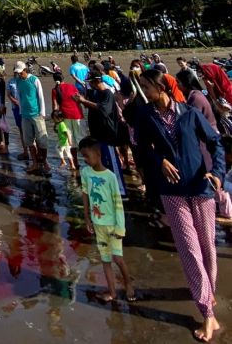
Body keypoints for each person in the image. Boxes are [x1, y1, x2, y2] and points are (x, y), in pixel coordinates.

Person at [137, 69, 223, 342]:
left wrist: (218, 173)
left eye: (146, 86)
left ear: (160, 87)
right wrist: (159, 161)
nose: (143, 91)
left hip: (200, 187)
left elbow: (214, 142)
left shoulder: (189, 113)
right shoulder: (147, 117)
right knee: (189, 249)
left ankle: (208, 292)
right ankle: (207, 312)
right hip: (171, 192)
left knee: (207, 247)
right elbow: (141, 149)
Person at [79, 136, 134, 303]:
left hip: (113, 225)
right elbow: (85, 194)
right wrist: (87, 217)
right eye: (83, 157)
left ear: (97, 153)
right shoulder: (85, 173)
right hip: (98, 225)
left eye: (87, 156)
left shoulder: (110, 177)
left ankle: (128, 282)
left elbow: (118, 204)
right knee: (105, 259)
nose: (85, 160)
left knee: (118, 258)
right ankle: (112, 292)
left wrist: (120, 228)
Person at [75, 71, 127, 197]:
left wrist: (84, 101)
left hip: (107, 134)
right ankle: (109, 188)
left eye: (91, 83)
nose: (90, 85)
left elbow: (104, 109)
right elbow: (91, 106)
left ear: (96, 81)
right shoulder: (96, 93)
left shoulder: (107, 93)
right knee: (104, 162)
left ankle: (121, 192)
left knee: (113, 161)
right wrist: (82, 100)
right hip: (98, 134)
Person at [14, 61, 50, 174]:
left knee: (42, 141)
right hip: (25, 115)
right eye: (17, 73)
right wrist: (20, 110)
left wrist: (42, 112)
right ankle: (34, 163)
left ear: (25, 70)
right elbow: (19, 96)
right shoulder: (18, 81)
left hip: (37, 114)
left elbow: (40, 96)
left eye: (20, 72)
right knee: (29, 141)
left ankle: (44, 162)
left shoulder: (34, 79)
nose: (19, 75)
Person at [51, 72, 84, 168]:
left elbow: (55, 105)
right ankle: (90, 160)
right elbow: (78, 99)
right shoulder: (71, 86)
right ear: (63, 78)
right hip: (77, 114)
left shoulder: (55, 90)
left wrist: (55, 121)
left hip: (64, 116)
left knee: (70, 142)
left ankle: (74, 163)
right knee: (81, 139)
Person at [7, 68, 28, 161]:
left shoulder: (24, 80)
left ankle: (33, 152)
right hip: (16, 108)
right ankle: (25, 151)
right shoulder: (10, 81)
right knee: (21, 130)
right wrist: (14, 101)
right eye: (15, 71)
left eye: (18, 72)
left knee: (29, 130)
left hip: (25, 107)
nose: (16, 73)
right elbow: (8, 94)